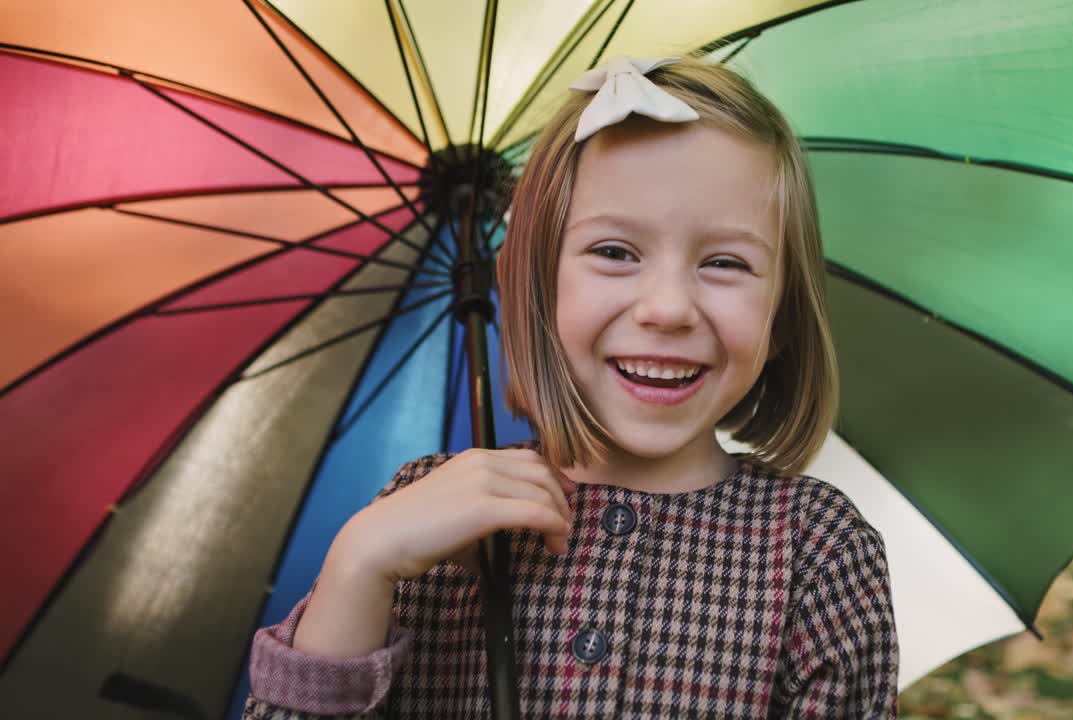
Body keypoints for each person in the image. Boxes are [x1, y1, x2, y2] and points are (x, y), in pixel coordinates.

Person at [242, 54, 898, 719]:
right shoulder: (423, 522)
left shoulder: (819, 552)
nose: (667, 308)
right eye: (615, 252)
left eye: (725, 263)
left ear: (782, 315)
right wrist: (359, 567)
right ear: (537, 286)